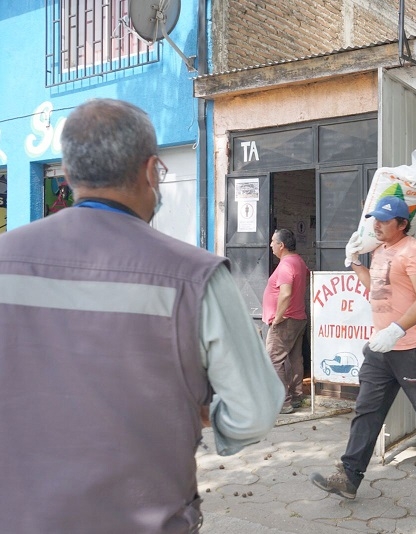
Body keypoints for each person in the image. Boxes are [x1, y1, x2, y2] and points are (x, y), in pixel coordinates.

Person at [0, 99, 284, 533]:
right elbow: (255, 411)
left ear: (71, 175)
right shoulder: (197, 275)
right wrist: (209, 417)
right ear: (152, 171)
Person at [310, 195, 416, 499]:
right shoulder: (380, 251)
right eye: (375, 219)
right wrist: (355, 263)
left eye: (384, 220)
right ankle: (349, 476)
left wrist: (397, 329)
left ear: (402, 224)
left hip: (412, 346)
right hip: (380, 348)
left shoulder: (415, 252)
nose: (376, 225)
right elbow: (376, 289)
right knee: (366, 409)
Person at [263, 228, 310, 414]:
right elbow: (306, 275)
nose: (271, 245)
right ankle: (297, 396)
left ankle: (284, 402)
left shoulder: (285, 265)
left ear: (281, 245)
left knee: (273, 359)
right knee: (294, 359)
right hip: (298, 317)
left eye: (273, 242)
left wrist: (278, 318)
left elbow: (286, 293)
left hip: (286, 320)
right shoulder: (298, 261)